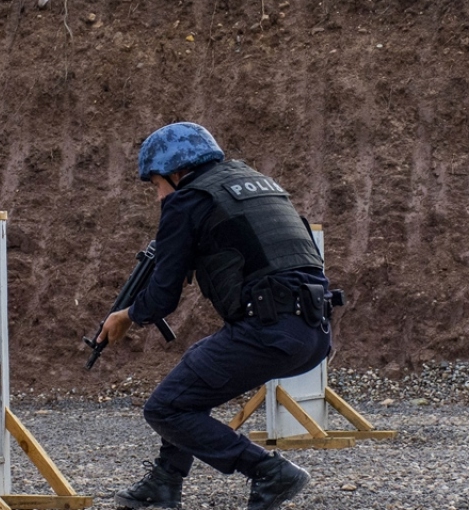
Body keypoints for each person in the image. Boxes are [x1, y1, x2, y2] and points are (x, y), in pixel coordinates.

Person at [97, 122, 333, 509]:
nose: (158, 196)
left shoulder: (187, 200)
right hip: (313, 331)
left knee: (166, 407)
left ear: (176, 172)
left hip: (268, 330)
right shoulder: (257, 183)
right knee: (192, 384)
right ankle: (165, 480)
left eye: (156, 185)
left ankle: (268, 471)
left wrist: (126, 316)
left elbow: (161, 297)